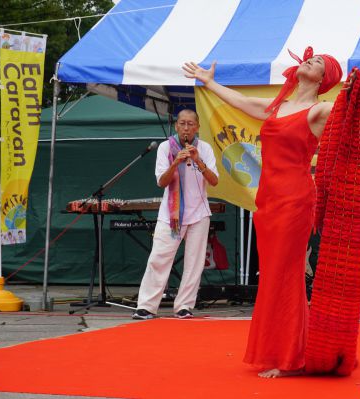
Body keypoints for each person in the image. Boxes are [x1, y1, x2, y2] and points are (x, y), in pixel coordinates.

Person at [183, 47, 342, 378]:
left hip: (295, 200)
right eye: (309, 59)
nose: (309, 61)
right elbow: (241, 102)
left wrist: (355, 90)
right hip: (268, 200)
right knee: (273, 274)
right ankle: (289, 350)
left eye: (318, 63)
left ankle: (289, 358)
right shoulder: (277, 107)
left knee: (285, 275)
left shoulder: (320, 110)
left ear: (324, 79)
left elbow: (347, 113)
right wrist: (209, 83)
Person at [132, 109, 219, 320]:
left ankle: (184, 306)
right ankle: (146, 306)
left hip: (198, 213)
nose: (186, 128)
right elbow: (162, 182)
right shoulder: (165, 147)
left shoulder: (204, 148)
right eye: (182, 123)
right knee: (159, 258)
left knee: (194, 262)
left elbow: (214, 181)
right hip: (171, 214)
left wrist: (198, 161)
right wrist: (175, 163)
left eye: (191, 124)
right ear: (176, 126)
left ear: (197, 127)